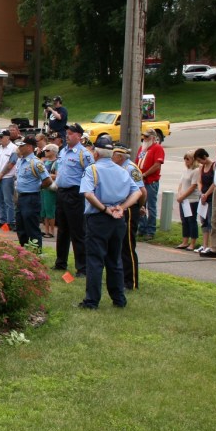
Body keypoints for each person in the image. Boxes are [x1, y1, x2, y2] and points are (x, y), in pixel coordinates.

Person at [78, 135, 142, 309]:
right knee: (115, 260)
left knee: (95, 260)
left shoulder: (93, 170)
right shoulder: (122, 170)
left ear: (96, 154)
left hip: (99, 218)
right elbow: (137, 193)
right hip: (118, 218)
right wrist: (122, 207)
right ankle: (119, 299)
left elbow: (88, 194)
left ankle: (92, 301)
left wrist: (105, 209)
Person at [54, 123, 94, 276]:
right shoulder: (63, 151)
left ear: (79, 136)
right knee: (62, 230)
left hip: (75, 193)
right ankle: (60, 262)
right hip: (62, 192)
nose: (67, 136)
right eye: (66, 133)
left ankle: (82, 267)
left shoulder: (84, 154)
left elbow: (90, 174)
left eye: (70, 133)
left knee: (77, 231)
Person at [111, 144, 145, 290]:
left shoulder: (130, 168)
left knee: (128, 245)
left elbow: (141, 191)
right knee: (120, 244)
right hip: (120, 206)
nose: (111, 157)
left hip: (130, 209)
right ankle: (122, 278)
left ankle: (131, 281)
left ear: (119, 156)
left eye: (113, 155)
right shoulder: (119, 168)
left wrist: (140, 206)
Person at [14, 136, 51, 249]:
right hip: (21, 197)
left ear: (29, 147)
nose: (19, 148)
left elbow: (47, 180)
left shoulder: (35, 163)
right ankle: (24, 251)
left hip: (31, 197)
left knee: (31, 227)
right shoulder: (20, 161)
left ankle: (35, 253)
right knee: (21, 227)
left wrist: (36, 187)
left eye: (22, 146)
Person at [136, 128, 165, 238]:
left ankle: (150, 230)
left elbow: (157, 165)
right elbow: (137, 162)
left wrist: (145, 174)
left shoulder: (157, 148)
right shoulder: (142, 148)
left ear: (153, 138)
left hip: (150, 181)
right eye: (144, 136)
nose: (144, 138)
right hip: (140, 181)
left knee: (151, 206)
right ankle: (142, 227)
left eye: (147, 137)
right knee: (141, 205)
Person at [175, 149, 201, 250]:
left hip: (191, 200)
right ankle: (185, 241)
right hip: (183, 200)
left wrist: (183, 196)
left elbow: (193, 186)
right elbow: (181, 183)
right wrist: (179, 194)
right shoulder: (186, 170)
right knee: (184, 220)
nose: (186, 161)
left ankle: (193, 243)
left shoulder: (196, 171)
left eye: (188, 159)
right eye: (185, 159)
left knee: (191, 220)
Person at [0, 130, 19, 230]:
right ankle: (2, 219)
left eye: (1, 137)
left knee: (8, 200)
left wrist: (1, 174)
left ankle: (11, 221)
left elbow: (11, 164)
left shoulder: (13, 148)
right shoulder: (0, 148)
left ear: (7, 137)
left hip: (7, 177)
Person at [194, 148, 214, 252]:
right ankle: (204, 245)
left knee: (211, 221)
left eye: (200, 160)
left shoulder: (213, 166)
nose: (200, 163)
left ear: (205, 157)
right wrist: (201, 192)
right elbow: (199, 181)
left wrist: (206, 194)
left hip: (210, 197)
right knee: (203, 221)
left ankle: (211, 245)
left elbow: (215, 183)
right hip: (203, 197)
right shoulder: (201, 167)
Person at [40, 144, 59, 239]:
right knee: (44, 211)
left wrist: (46, 176)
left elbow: (58, 175)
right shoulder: (44, 162)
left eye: (47, 150)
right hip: (43, 188)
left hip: (51, 189)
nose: (45, 152)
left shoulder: (57, 162)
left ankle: (52, 231)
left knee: (50, 210)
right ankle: (46, 230)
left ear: (53, 152)